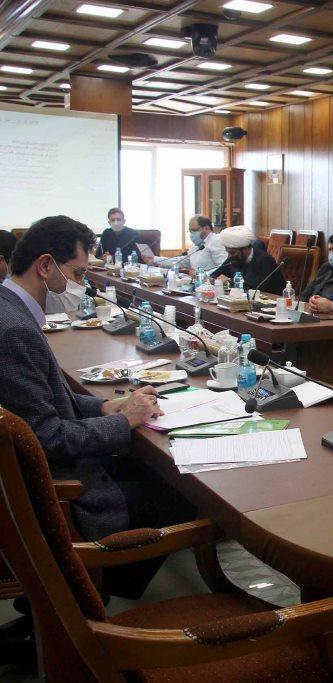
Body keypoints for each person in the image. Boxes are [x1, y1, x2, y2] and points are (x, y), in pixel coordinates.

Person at [0, 216, 194, 596]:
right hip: (52, 498)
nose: (82, 285)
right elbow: (46, 437)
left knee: (147, 464)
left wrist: (105, 408)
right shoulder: (15, 331)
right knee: (181, 488)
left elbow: (47, 400)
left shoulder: (10, 310)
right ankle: (91, 592)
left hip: (30, 480)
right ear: (45, 266)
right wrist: (125, 421)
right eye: (77, 273)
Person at [209, 226, 286, 294]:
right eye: (228, 252)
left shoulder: (265, 260)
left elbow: (255, 288)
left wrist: (229, 281)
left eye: (232, 252)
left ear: (245, 249)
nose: (229, 256)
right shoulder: (233, 258)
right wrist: (215, 280)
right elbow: (214, 275)